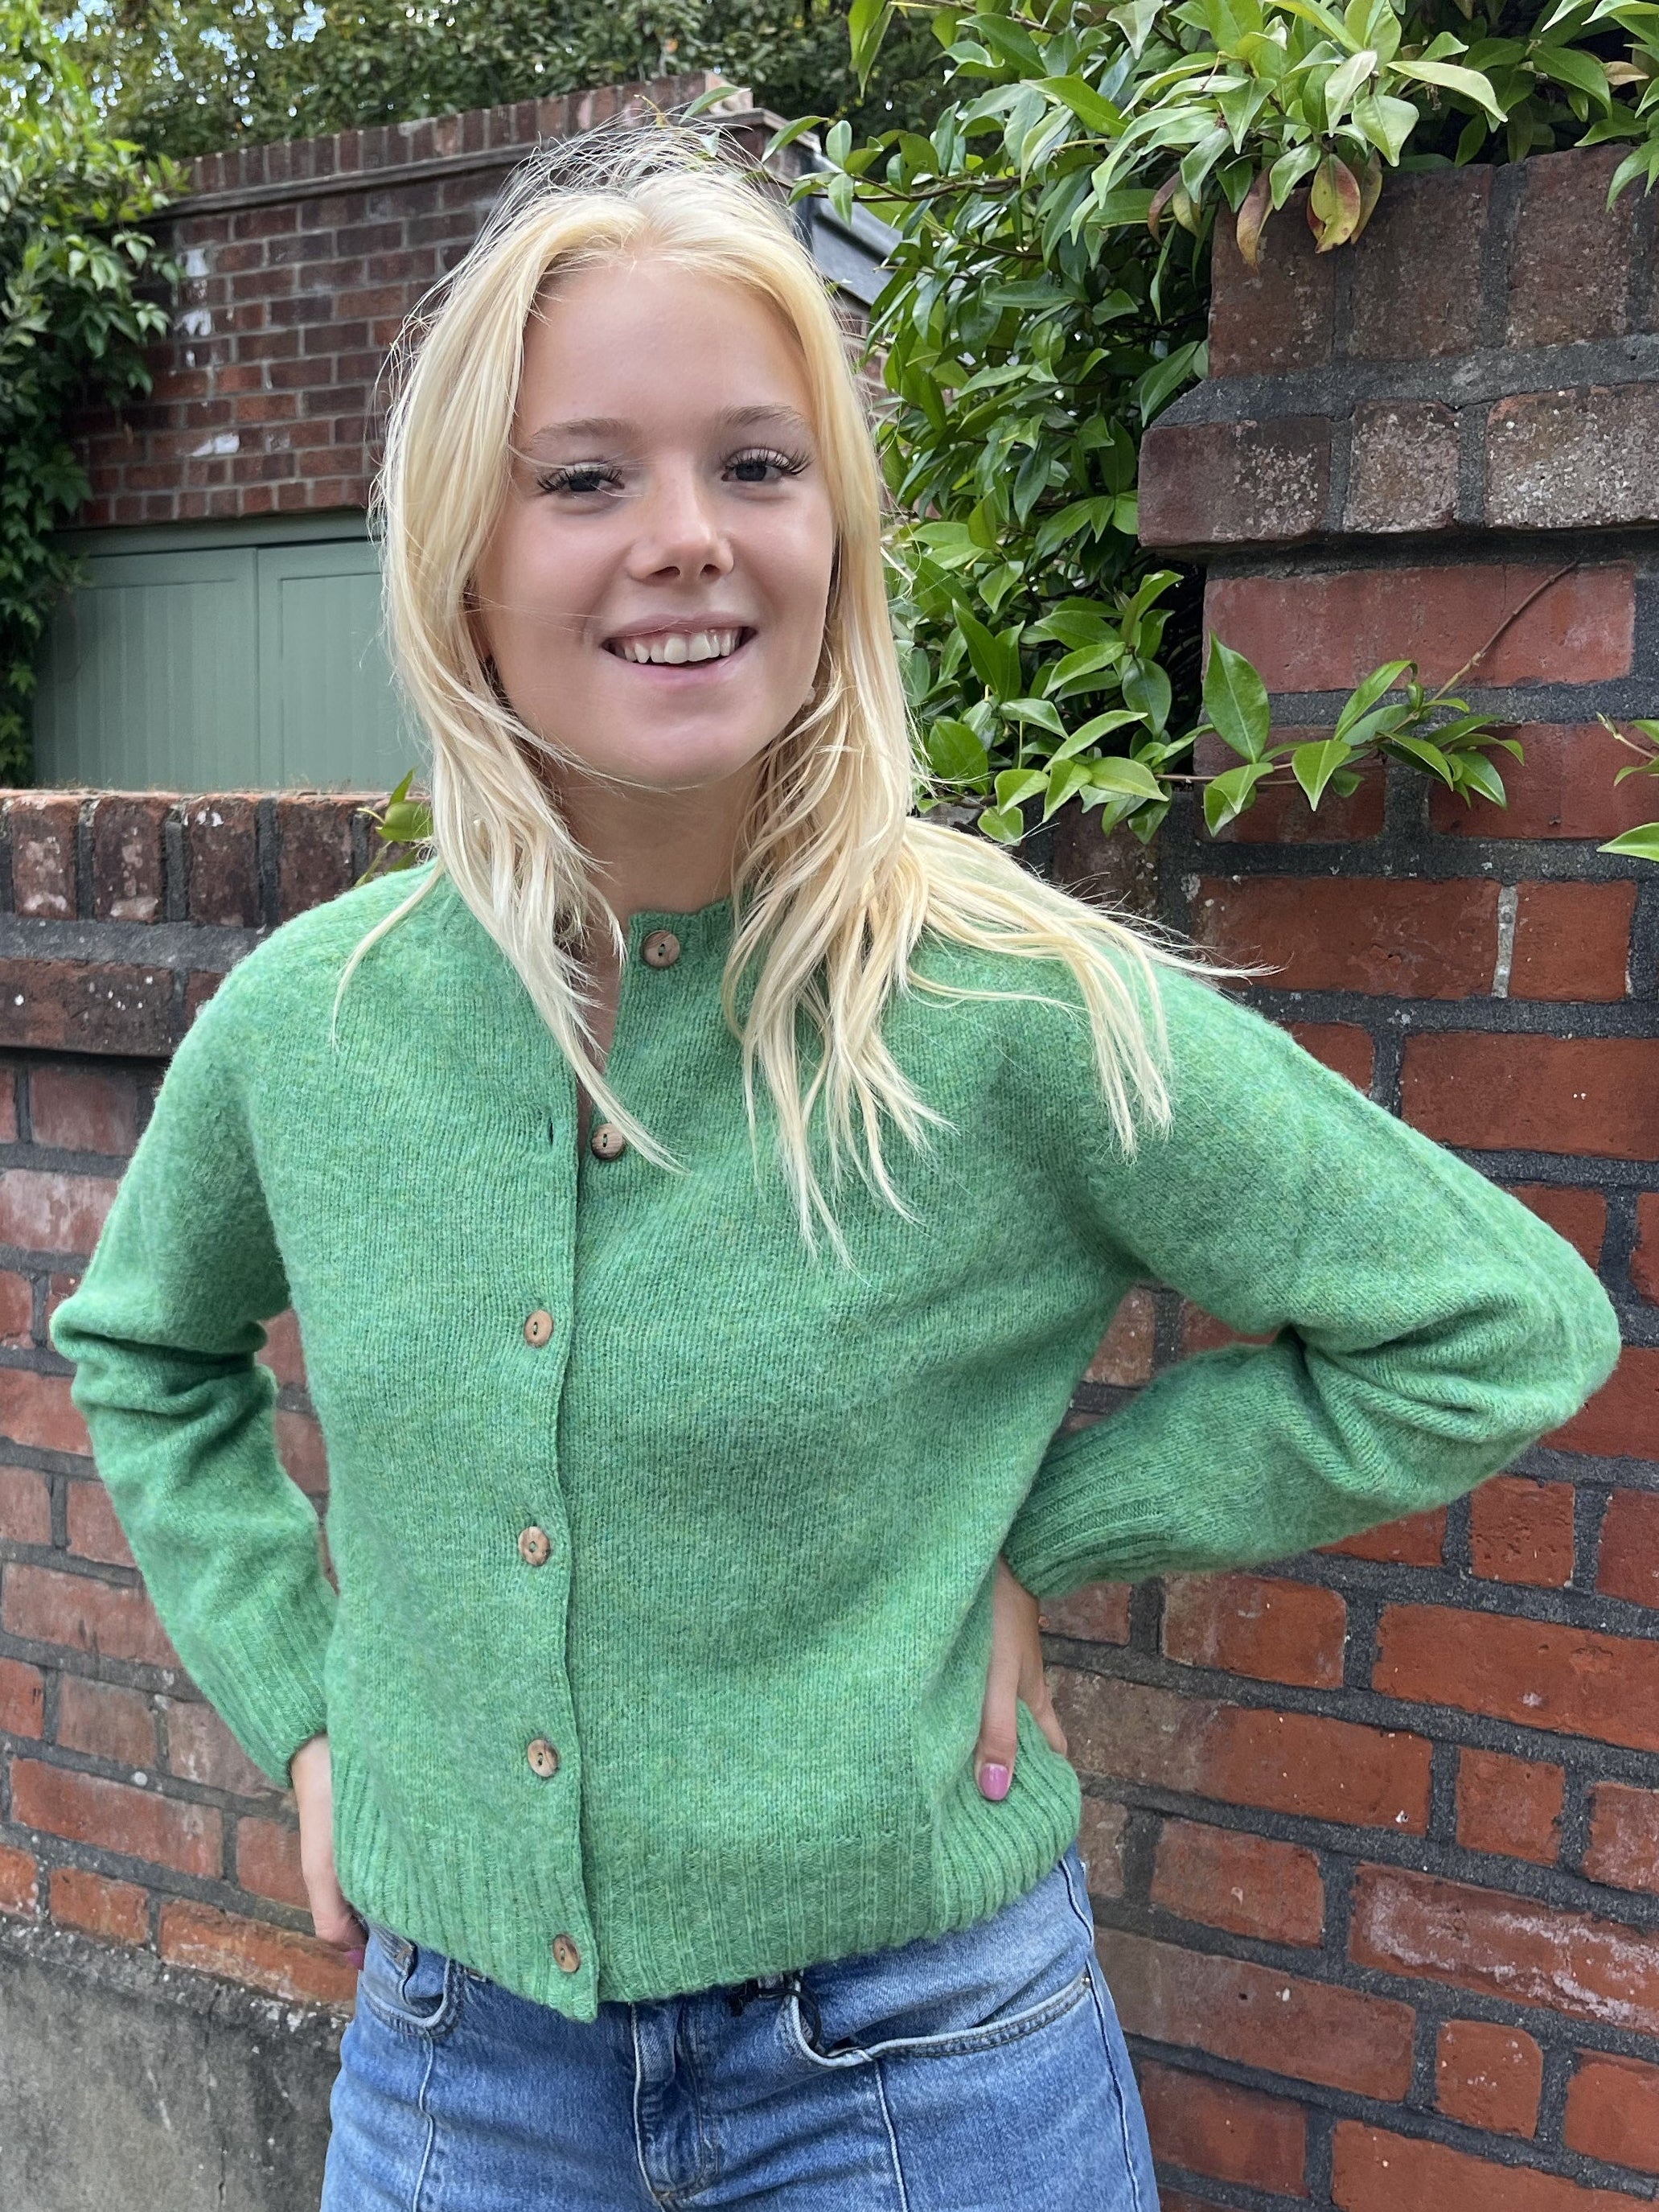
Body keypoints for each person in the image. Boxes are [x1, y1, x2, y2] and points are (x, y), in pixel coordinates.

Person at [49, 127, 1620, 2212]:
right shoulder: (314, 1025)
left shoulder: (1004, 1003)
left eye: (758, 466)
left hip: (923, 2082)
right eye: (584, 478)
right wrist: (305, 1710)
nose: (686, 538)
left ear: (838, 538)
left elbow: (1495, 1325)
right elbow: (148, 1353)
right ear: (461, 558)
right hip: (454, 2077)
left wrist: (1039, 1538)